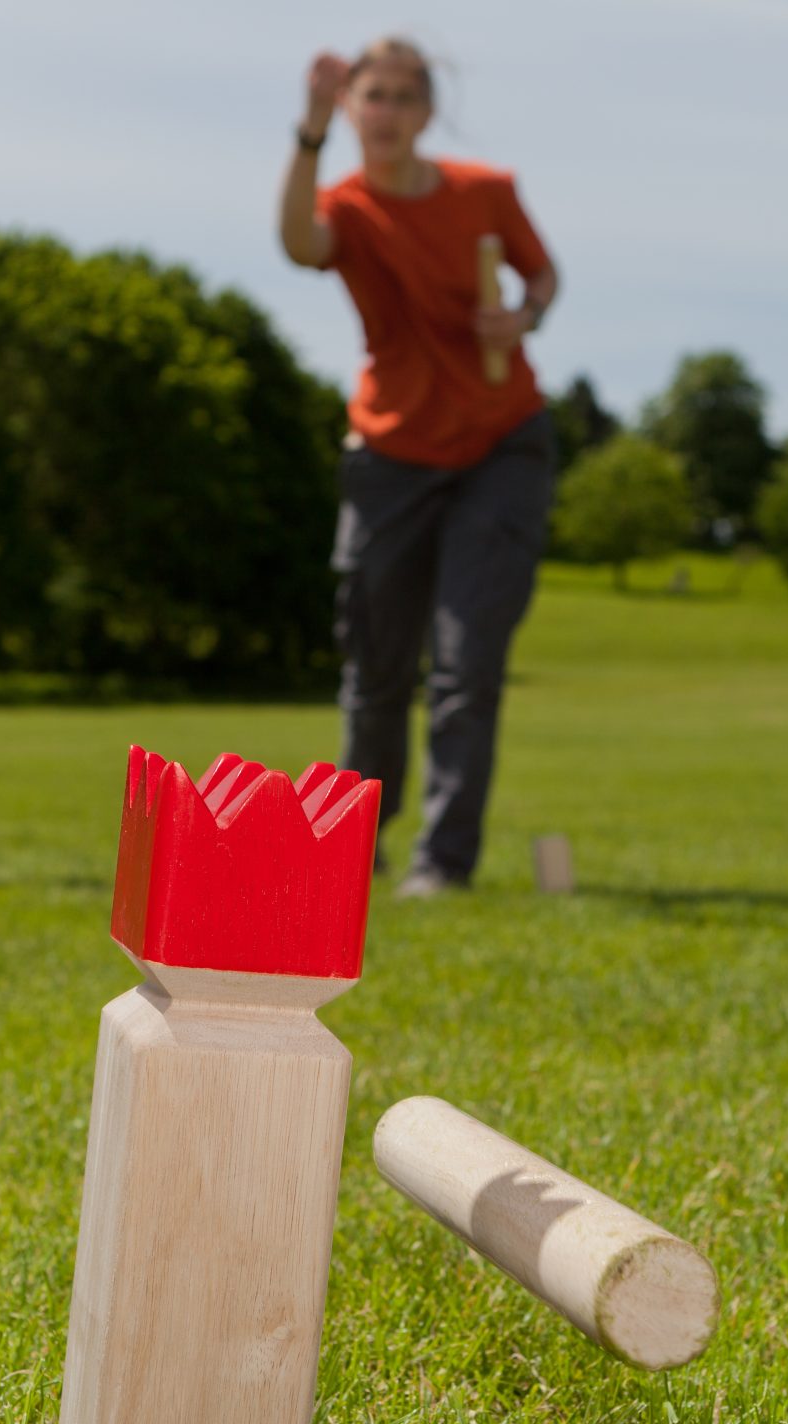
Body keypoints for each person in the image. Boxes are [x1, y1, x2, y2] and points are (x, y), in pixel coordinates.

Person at [281, 38, 559, 898]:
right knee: (375, 666)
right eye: (375, 95)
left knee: (465, 663)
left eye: (405, 96)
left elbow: (542, 277)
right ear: (354, 107)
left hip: (499, 445)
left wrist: (520, 317)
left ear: (427, 111)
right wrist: (309, 132)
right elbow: (298, 244)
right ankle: (348, 854)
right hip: (391, 455)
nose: (390, 110)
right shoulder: (348, 207)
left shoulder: (486, 192)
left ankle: (442, 862)